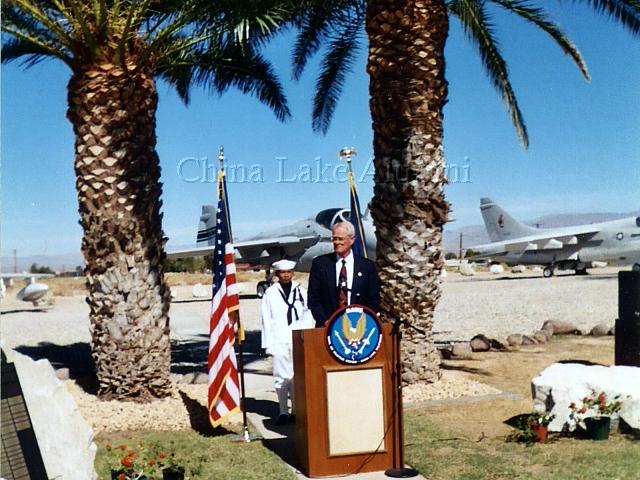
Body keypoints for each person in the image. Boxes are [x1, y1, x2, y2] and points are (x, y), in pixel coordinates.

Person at [260, 259, 310, 425]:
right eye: (283, 272)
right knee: (281, 376)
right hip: (279, 339)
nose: (286, 275)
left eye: (289, 272)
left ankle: (296, 410)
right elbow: (266, 319)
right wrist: (268, 344)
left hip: (297, 338)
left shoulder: (301, 292)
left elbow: (307, 315)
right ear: (277, 274)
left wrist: (306, 336)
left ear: (293, 273)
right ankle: (283, 411)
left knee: (296, 377)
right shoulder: (271, 293)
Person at [308, 221, 379, 327]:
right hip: (328, 327)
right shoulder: (320, 264)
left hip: (359, 326)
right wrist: (325, 321)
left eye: (340, 239)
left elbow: (373, 298)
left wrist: (364, 320)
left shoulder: (367, 266)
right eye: (334, 238)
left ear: (351, 240)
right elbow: (313, 298)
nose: (336, 242)